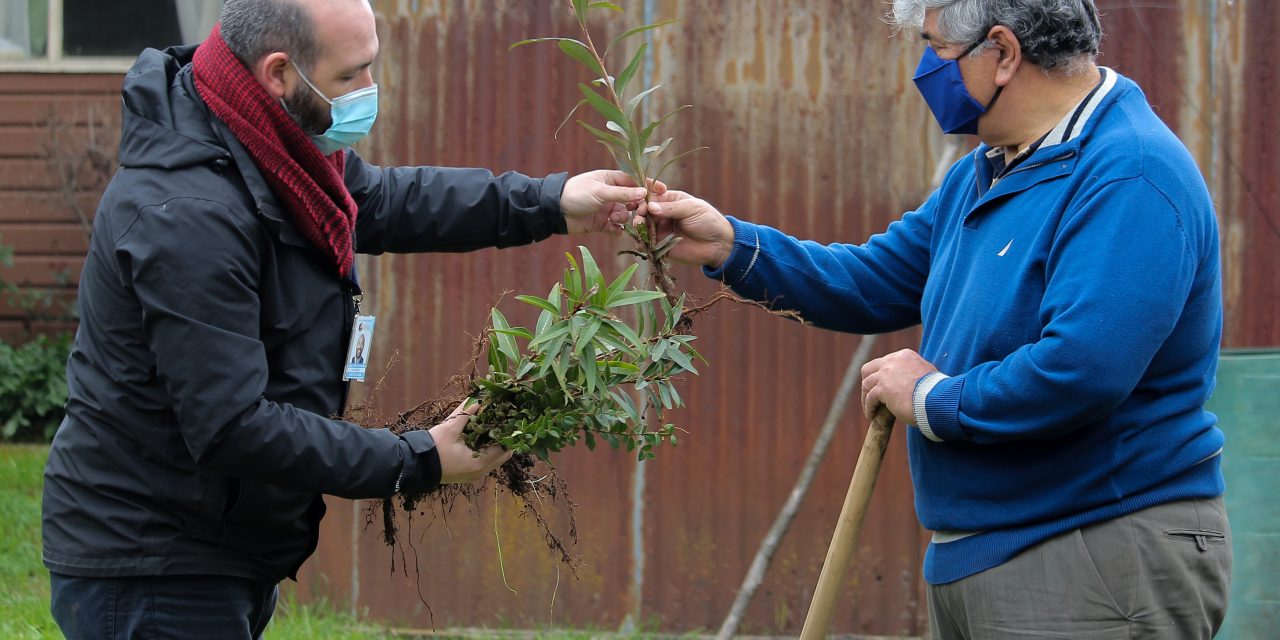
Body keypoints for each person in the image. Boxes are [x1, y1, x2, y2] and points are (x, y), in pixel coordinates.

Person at [40, 0, 661, 637]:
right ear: (279, 72)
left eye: (372, 68)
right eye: (350, 77)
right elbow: (233, 425)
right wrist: (419, 458)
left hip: (214, 541)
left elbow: (386, 200)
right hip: (153, 564)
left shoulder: (265, 138)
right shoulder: (188, 215)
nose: (369, 91)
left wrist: (552, 202)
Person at [645, 1, 1230, 637]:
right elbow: (874, 281)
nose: (925, 69)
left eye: (935, 49)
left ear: (1003, 53)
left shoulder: (1128, 174)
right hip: (983, 548)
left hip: (1092, 547)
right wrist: (732, 245)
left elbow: (1082, 368)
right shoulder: (989, 172)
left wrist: (931, 397)